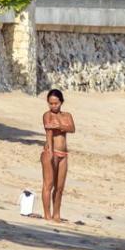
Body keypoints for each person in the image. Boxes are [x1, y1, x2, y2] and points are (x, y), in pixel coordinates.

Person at [40, 89, 75, 223]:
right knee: (48, 184)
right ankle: (47, 214)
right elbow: (49, 131)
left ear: (61, 102)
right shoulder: (47, 115)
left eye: (56, 103)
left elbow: (72, 128)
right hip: (52, 151)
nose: (53, 106)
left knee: (59, 187)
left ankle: (56, 214)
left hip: (63, 154)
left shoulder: (67, 115)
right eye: (51, 103)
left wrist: (60, 126)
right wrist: (49, 151)